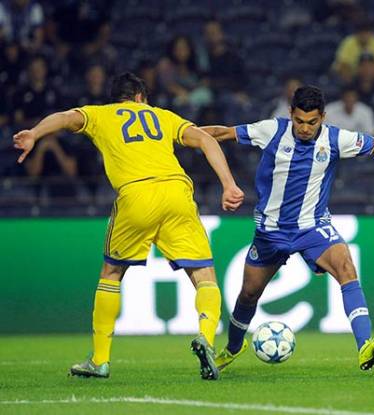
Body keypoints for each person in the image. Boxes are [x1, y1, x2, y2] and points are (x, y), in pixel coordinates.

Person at [201, 85, 374, 373]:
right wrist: (179, 133)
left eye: (312, 122)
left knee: (346, 267)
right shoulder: (272, 130)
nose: (304, 128)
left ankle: (365, 347)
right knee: (249, 294)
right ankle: (233, 348)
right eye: (299, 121)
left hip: (313, 227)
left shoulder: (336, 139)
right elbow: (221, 132)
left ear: (322, 117)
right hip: (270, 231)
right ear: (291, 114)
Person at [12, 72, 245, 380]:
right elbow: (204, 138)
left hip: (137, 195)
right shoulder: (162, 116)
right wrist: (228, 184)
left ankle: (100, 359)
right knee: (204, 275)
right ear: (139, 97)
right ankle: (206, 337)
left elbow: (66, 117)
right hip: (177, 193)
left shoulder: (100, 114)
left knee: (112, 272)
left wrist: (34, 133)